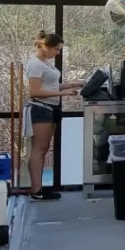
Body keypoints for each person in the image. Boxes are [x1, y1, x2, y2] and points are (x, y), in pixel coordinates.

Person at [24, 32, 81, 200]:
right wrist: (63, 94)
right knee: (38, 150)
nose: (58, 53)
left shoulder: (45, 63)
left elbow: (51, 84)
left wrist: (72, 84)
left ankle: (39, 187)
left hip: (50, 108)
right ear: (46, 47)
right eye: (56, 49)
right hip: (41, 109)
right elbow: (34, 91)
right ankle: (36, 190)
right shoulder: (35, 65)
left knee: (43, 149)